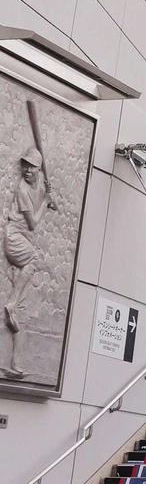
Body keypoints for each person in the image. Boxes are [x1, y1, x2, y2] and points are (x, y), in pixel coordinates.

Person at [3, 127, 57, 381]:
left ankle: (13, 364)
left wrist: (48, 195)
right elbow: (34, 223)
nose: (27, 170)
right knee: (33, 261)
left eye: (32, 166)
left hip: (23, 242)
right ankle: (12, 302)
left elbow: (44, 200)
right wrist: (46, 203)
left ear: (38, 169)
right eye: (24, 165)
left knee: (21, 314)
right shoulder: (23, 190)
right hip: (15, 241)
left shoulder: (37, 185)